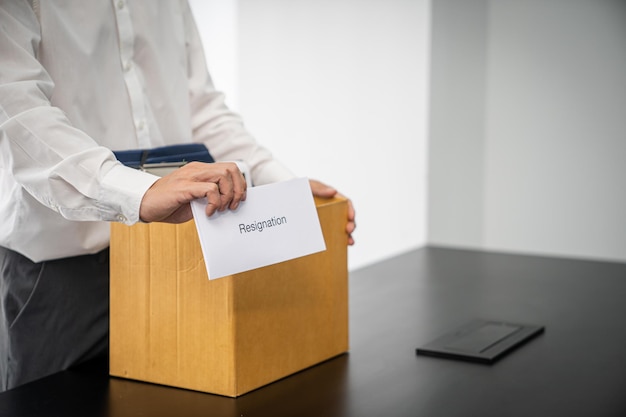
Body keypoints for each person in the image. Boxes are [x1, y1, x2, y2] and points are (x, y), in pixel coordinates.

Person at [0, 0, 355, 392]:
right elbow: (16, 109)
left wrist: (280, 185)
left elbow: (201, 108)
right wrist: (138, 191)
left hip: (178, 255)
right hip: (64, 268)